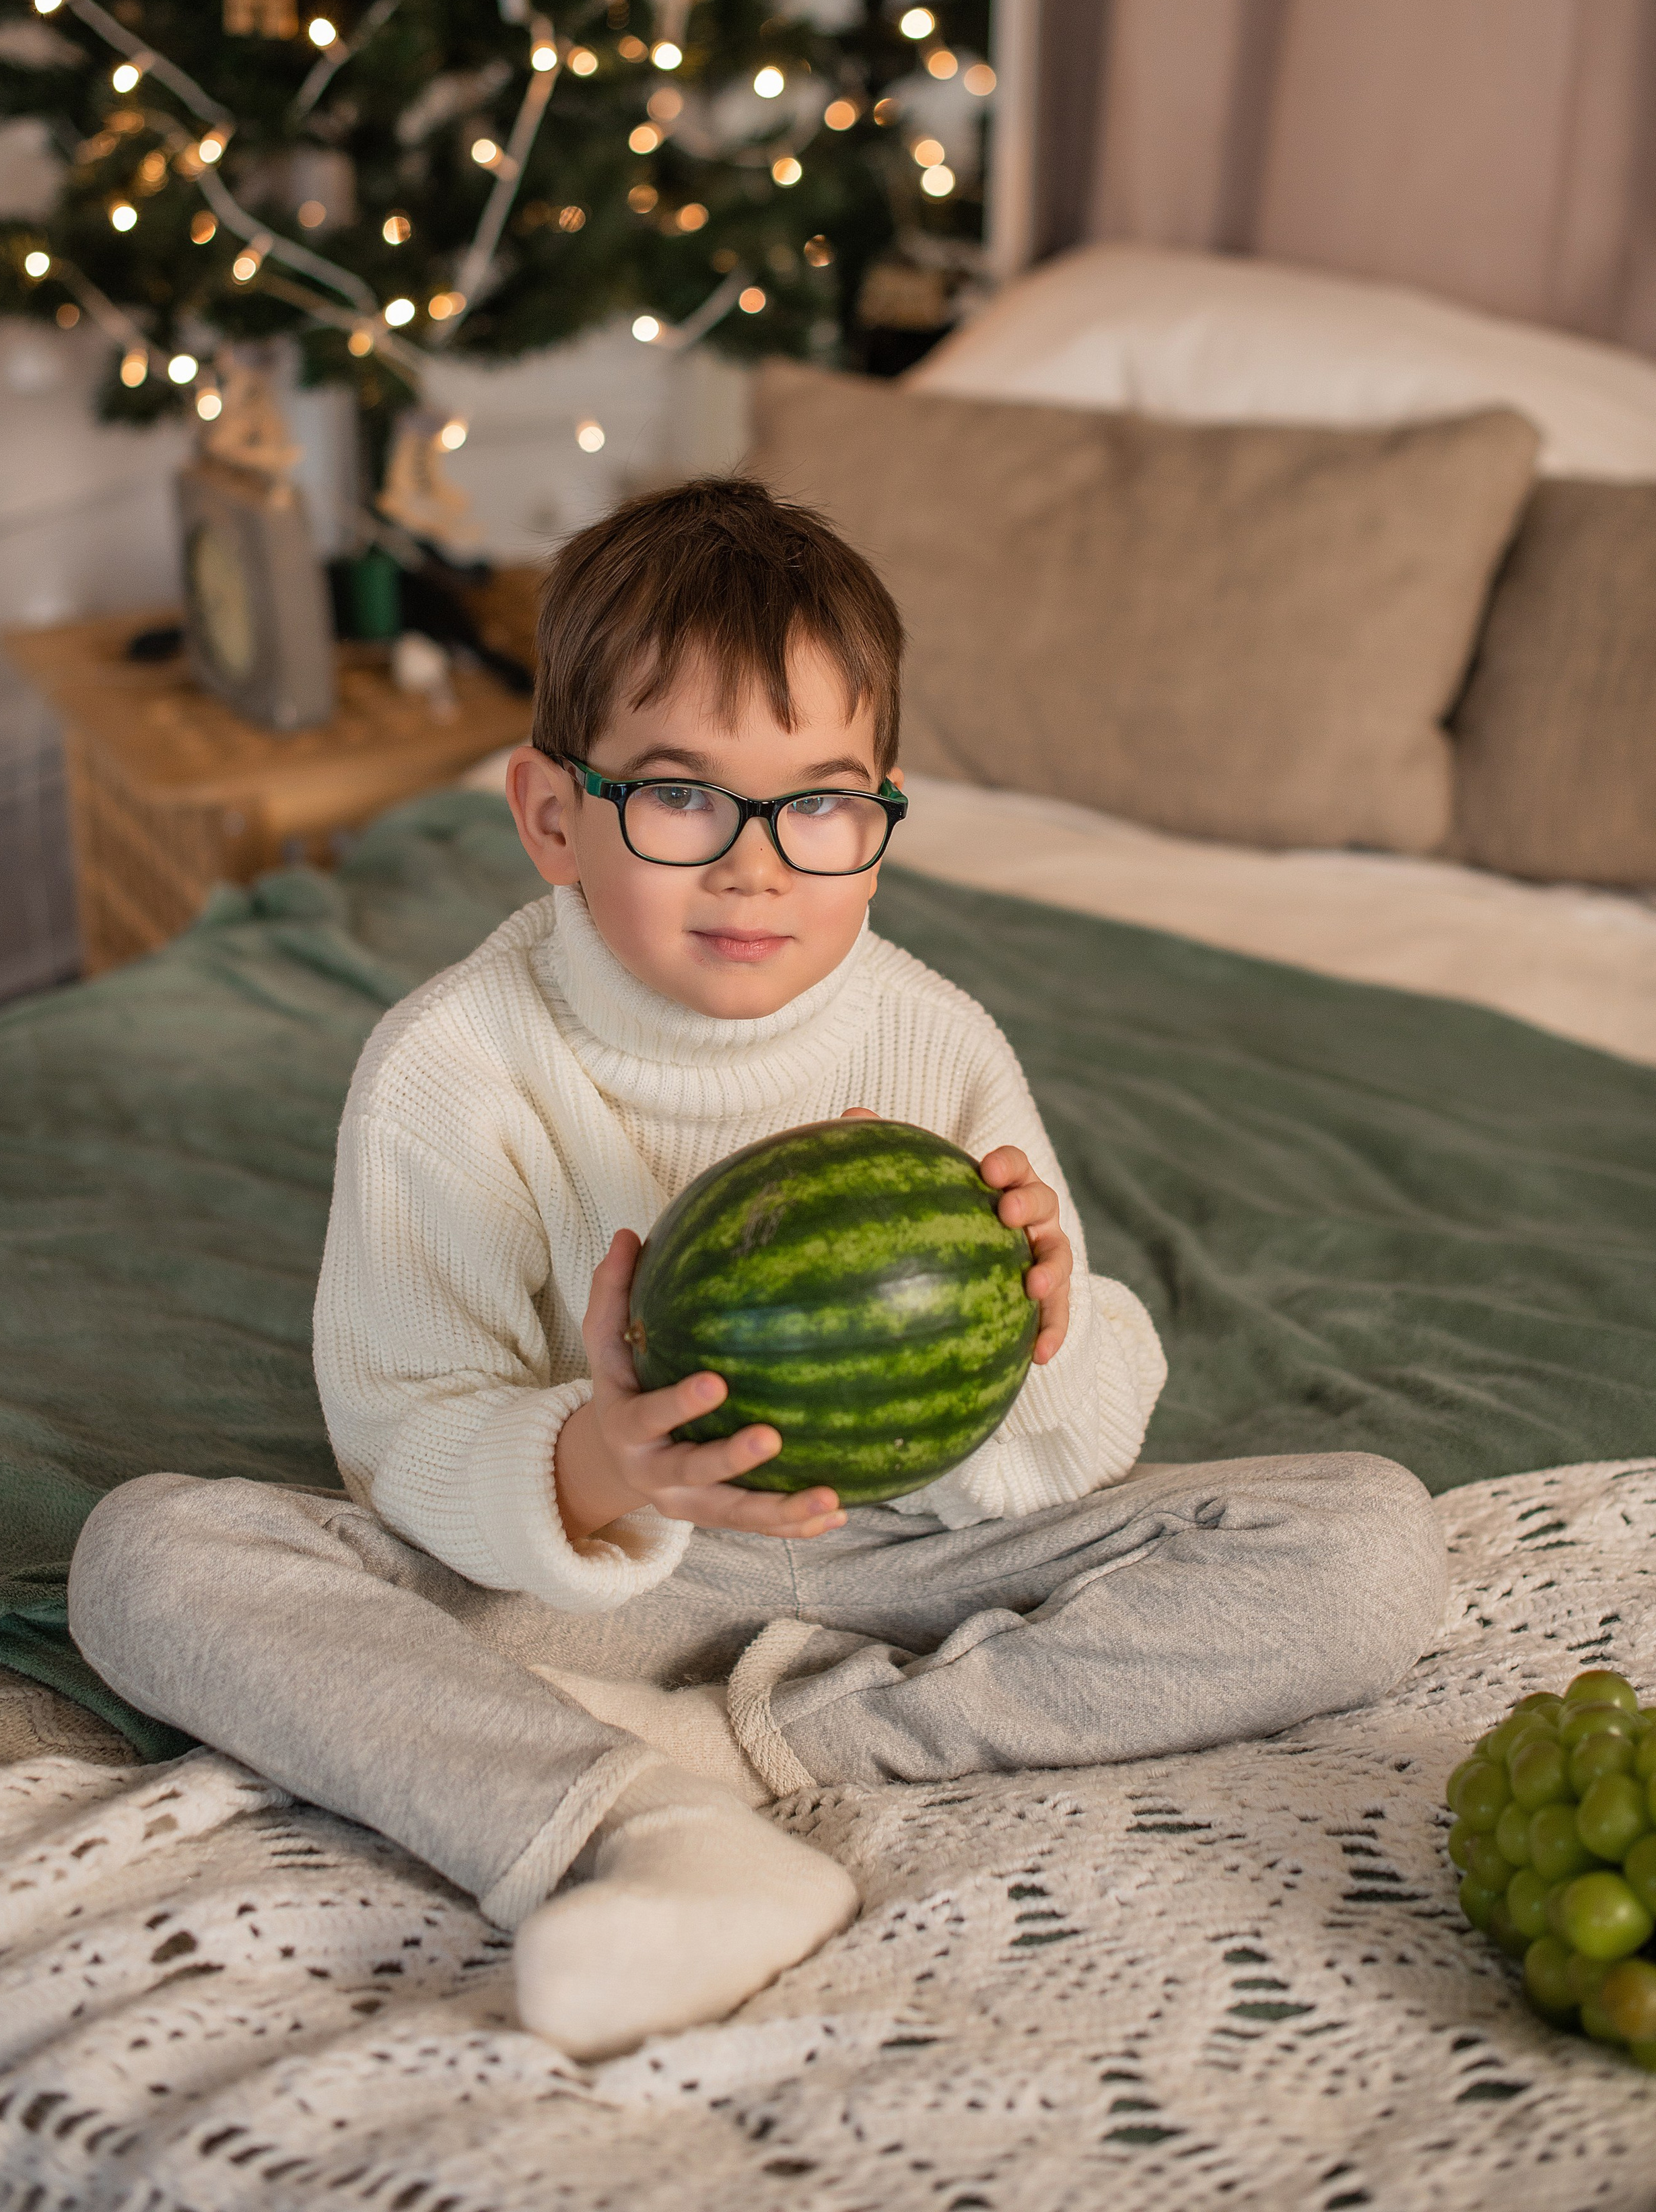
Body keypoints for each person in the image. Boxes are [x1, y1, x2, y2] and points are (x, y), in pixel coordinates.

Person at [69, 477, 1445, 2062]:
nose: (755, 866)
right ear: (551, 816)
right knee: (150, 1556)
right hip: (601, 1593)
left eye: (820, 805)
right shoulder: (451, 1066)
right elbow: (397, 1430)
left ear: (879, 823)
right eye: (679, 796)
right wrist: (599, 1466)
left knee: (1368, 1544)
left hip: (907, 1563)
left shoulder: (933, 1038)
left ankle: (743, 1754)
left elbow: (1063, 1447)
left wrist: (1043, 1337)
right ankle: (631, 1825)